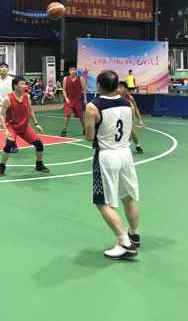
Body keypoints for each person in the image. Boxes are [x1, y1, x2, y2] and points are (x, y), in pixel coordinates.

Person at [84, 70, 140, 260]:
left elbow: (89, 136)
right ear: (117, 85)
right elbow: (130, 130)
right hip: (125, 154)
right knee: (128, 197)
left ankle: (124, 242)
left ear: (99, 85)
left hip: (107, 156)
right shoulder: (128, 104)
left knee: (103, 202)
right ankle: (134, 234)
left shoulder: (93, 107)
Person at [0, 76, 49, 177]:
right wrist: (5, 130)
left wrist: (36, 123)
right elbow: (1, 115)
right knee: (9, 144)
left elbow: (30, 110)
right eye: (22, 84)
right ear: (15, 86)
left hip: (24, 126)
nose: (24, 86)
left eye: (25, 84)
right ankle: (1, 167)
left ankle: (39, 164)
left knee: (39, 144)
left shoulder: (27, 96)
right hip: (12, 127)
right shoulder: (8, 99)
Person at [117, 81, 144, 154]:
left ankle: (138, 146)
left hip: (130, 117)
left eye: (121, 88)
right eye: (118, 87)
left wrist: (140, 119)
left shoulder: (130, 97)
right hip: (120, 117)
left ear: (125, 89)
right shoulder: (115, 97)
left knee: (132, 132)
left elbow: (136, 108)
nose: (118, 89)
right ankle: (124, 146)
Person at [61, 66, 86, 136]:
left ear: (76, 71)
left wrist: (85, 99)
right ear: (69, 71)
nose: (73, 71)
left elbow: (84, 89)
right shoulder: (65, 79)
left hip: (78, 101)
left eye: (74, 70)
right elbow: (63, 90)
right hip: (69, 100)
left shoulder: (80, 78)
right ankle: (64, 129)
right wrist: (66, 98)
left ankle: (85, 129)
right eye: (71, 70)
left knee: (81, 116)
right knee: (67, 114)